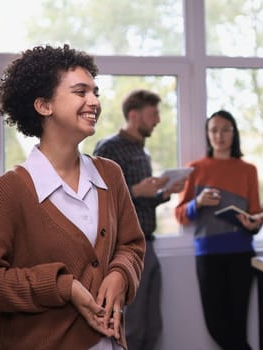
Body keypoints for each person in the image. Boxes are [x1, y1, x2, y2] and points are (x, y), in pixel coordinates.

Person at [0, 45, 145, 350]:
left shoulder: (110, 175)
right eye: (80, 92)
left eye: (95, 92)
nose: (94, 101)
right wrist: (62, 286)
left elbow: (131, 245)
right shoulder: (11, 190)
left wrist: (120, 274)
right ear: (44, 106)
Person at [93, 89, 185, 350]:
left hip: (148, 246)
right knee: (132, 326)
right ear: (134, 115)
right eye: (153, 114)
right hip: (125, 249)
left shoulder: (143, 153)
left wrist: (164, 193)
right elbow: (101, 198)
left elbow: (140, 202)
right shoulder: (108, 148)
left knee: (152, 325)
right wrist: (136, 190)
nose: (157, 120)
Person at [175, 110, 263, 350]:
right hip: (208, 255)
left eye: (225, 129)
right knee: (216, 326)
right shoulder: (195, 169)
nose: (219, 135)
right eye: (214, 130)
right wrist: (198, 202)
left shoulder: (248, 170)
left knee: (237, 325)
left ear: (234, 134)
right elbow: (180, 214)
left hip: (241, 254)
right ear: (207, 134)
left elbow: (255, 213)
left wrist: (254, 223)